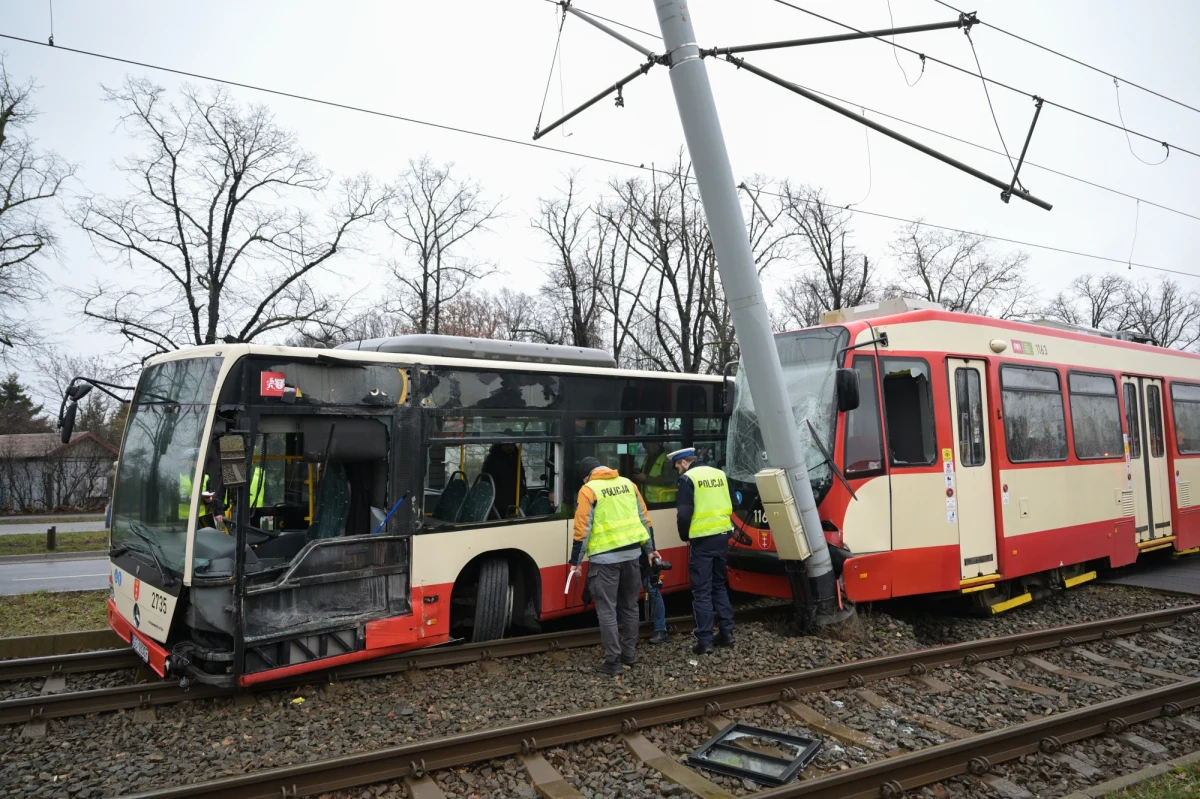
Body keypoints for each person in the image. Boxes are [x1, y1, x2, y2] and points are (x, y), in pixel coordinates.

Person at [569, 456, 661, 675]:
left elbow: (582, 529)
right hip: (632, 557)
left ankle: (613, 661)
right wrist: (651, 550)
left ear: (586, 476)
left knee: (607, 611)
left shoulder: (588, 490)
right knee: (630, 607)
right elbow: (644, 519)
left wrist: (575, 563)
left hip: (604, 562)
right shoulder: (629, 484)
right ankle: (629, 655)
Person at [668, 447, 735, 655]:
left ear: (684, 462)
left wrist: (684, 535)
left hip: (702, 542)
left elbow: (684, 514)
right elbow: (735, 502)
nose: (678, 470)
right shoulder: (720, 474)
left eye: (677, 466)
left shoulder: (688, 479)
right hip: (722, 538)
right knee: (719, 586)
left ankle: (704, 641)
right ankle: (727, 633)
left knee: (702, 591)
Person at [481, 441, 526, 517]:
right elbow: (487, 479)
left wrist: (522, 490)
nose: (510, 448)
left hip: (515, 497)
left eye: (512, 445)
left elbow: (521, 474)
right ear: (501, 445)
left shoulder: (516, 456)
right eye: (507, 445)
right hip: (498, 500)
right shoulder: (492, 458)